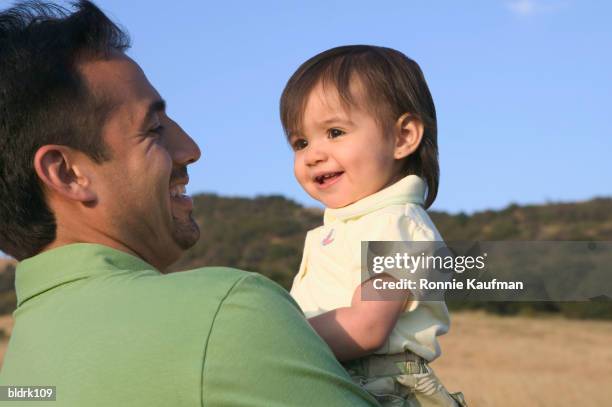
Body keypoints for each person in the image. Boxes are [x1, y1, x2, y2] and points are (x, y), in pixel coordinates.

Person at [0, 2, 380, 406]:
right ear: (67, 172)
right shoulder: (228, 312)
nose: (190, 149)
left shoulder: (21, 371)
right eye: (154, 129)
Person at [281, 45, 467, 406]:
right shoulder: (347, 225)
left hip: (377, 387)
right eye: (300, 142)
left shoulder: (397, 225)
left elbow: (367, 326)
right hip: (335, 375)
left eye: (334, 132)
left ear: (403, 137)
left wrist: (276, 336)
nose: (312, 154)